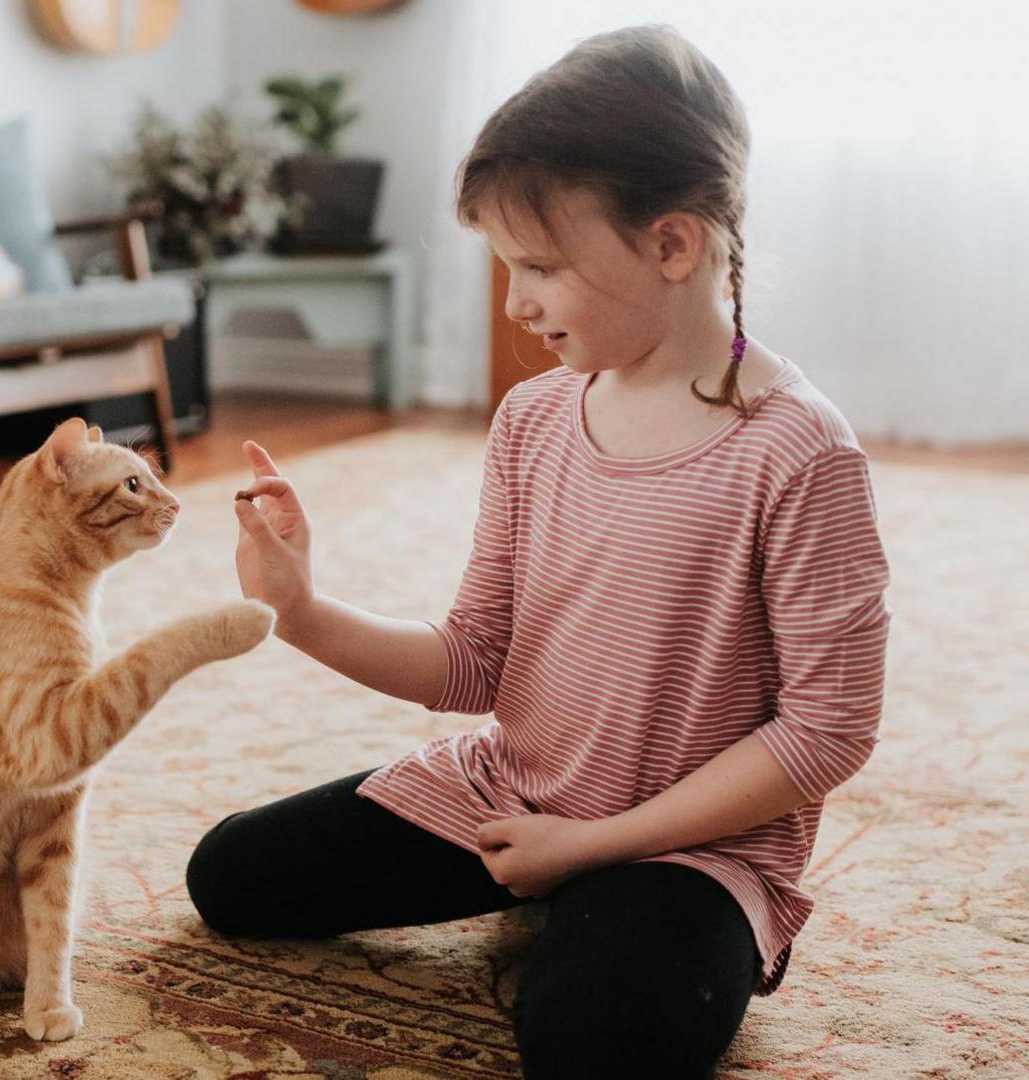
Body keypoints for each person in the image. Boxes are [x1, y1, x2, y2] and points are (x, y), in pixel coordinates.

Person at [187, 24, 891, 1079]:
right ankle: (566, 895)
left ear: (672, 245)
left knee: (592, 1044)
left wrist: (595, 847)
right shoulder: (533, 421)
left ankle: (605, 910)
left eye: (540, 267)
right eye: (504, 265)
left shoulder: (801, 453)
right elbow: (476, 659)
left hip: (696, 847)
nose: (514, 303)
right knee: (230, 878)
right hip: (512, 795)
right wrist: (304, 611)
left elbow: (828, 733)